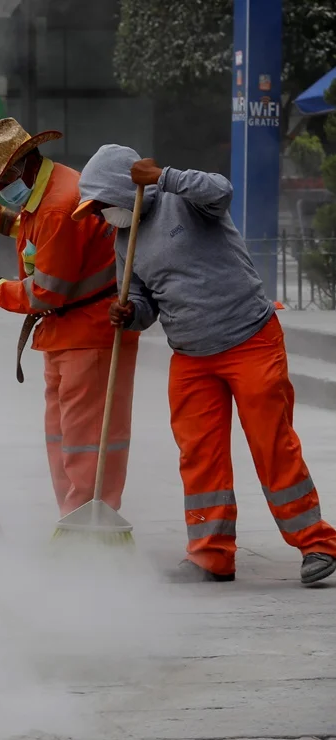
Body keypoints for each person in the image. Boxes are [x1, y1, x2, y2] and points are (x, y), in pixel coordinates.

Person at [75, 143, 336, 586]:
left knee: (272, 445)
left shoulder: (186, 200)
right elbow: (141, 299)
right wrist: (130, 313)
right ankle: (211, 556)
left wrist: (163, 176)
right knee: (200, 455)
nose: (101, 214)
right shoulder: (126, 239)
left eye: (102, 204)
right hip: (192, 356)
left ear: (125, 186)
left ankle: (317, 544)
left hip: (250, 338)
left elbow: (221, 189)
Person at [0, 118, 138, 518]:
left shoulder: (57, 204)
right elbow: (47, 238)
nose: (1, 190)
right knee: (64, 439)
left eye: (1, 182)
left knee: (86, 443)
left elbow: (49, 290)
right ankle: (71, 520)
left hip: (89, 334)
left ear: (21, 166)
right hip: (67, 333)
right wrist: (8, 222)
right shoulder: (49, 189)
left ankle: (90, 525)